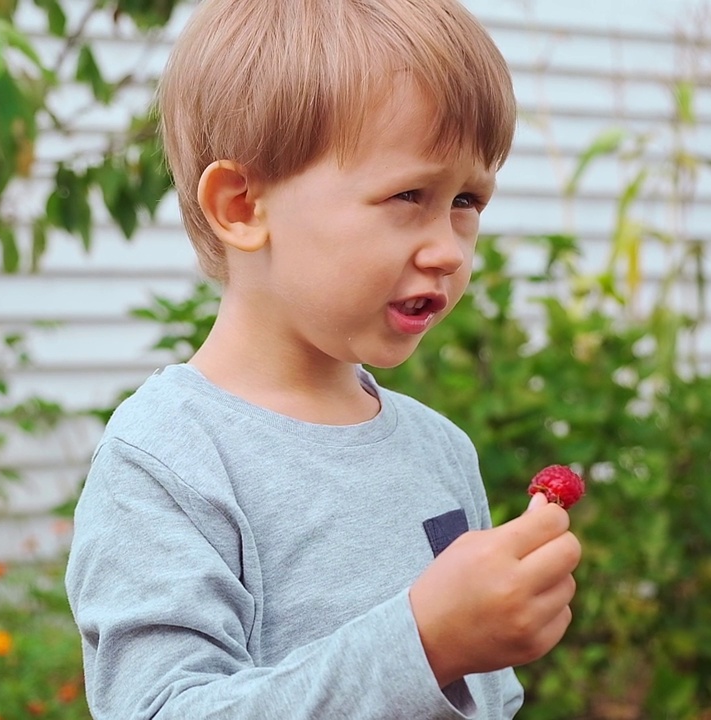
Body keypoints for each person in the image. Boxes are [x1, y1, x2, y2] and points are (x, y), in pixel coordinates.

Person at [64, 0, 582, 717]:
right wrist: (425, 642)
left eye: (466, 200)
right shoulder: (169, 459)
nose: (449, 249)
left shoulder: (440, 451)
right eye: (409, 195)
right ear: (243, 206)